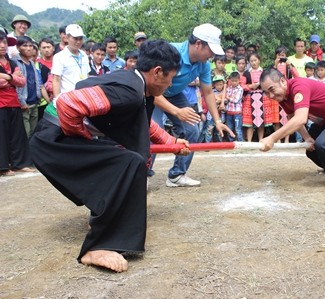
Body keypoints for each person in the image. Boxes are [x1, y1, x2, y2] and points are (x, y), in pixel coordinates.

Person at [29, 39, 181, 272]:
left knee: (125, 160)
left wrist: (171, 142)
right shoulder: (130, 90)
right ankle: (96, 247)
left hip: (54, 135)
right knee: (129, 163)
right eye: (170, 77)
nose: (170, 84)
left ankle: (103, 222)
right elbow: (69, 105)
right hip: (52, 138)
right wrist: (83, 140)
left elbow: (141, 123)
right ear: (157, 72)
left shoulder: (134, 85)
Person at [151, 23, 234, 188]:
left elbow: (208, 92)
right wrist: (177, 111)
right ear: (198, 44)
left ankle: (177, 175)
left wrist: (217, 122)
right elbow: (151, 90)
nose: (211, 56)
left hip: (174, 95)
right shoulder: (170, 53)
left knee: (192, 131)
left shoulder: (203, 64)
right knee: (153, 132)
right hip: (151, 95)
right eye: (210, 50)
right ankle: (142, 176)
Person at [259, 68, 325, 188]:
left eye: (272, 89)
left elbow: (300, 119)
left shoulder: (299, 86)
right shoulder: (283, 97)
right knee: (311, 150)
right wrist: (307, 138)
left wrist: (272, 138)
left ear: (283, 81)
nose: (271, 96)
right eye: (266, 93)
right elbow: (292, 117)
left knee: (323, 145)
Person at [0, 30, 35, 176]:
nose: (2, 45)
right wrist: (12, 78)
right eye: (0, 42)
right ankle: (3, 167)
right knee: (2, 136)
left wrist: (7, 77)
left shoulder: (12, 62)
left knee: (17, 135)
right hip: (1, 104)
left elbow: (21, 82)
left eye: (5, 42)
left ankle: (19, 164)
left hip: (14, 103)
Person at [12, 36, 47, 138]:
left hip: (34, 103)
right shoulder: (14, 62)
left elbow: (36, 82)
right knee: (25, 133)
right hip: (24, 104)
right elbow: (16, 85)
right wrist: (22, 102)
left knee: (33, 132)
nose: (28, 48)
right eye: (25, 45)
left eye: (30, 46)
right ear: (18, 47)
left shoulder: (31, 62)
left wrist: (39, 97)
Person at [241, 52, 273, 142]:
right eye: (251, 61)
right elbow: (242, 85)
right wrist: (251, 86)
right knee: (250, 121)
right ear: (249, 62)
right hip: (250, 97)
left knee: (262, 121)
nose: (253, 63)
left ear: (259, 60)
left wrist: (260, 85)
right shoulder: (246, 73)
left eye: (255, 60)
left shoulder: (264, 72)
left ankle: (261, 140)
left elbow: (269, 84)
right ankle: (249, 141)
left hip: (263, 97)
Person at [52, 24, 90, 97]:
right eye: (75, 38)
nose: (78, 42)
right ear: (67, 38)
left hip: (85, 97)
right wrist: (57, 100)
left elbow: (87, 75)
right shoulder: (59, 57)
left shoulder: (84, 55)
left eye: (80, 38)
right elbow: (56, 80)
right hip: (69, 98)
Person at [225, 71, 244, 141]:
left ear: (239, 80)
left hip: (237, 113)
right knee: (229, 128)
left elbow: (236, 100)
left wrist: (228, 98)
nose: (234, 82)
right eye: (232, 81)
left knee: (237, 129)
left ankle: (241, 143)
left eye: (236, 81)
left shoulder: (240, 89)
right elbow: (226, 99)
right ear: (230, 80)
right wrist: (227, 98)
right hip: (229, 112)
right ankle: (231, 143)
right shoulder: (228, 88)